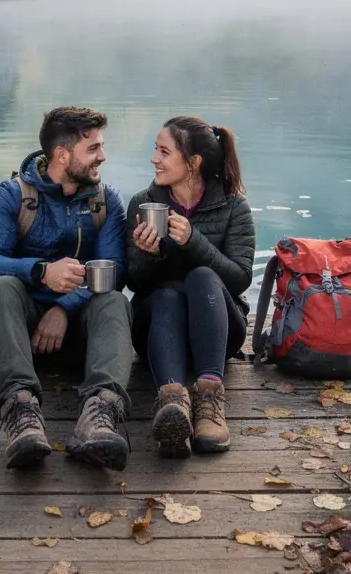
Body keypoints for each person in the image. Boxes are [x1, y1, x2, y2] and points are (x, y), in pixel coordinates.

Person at [0, 106, 133, 471]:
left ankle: (100, 415)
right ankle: (21, 412)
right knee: (0, 287)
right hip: (22, 341)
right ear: (62, 155)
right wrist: (41, 271)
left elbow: (114, 271)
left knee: (114, 300)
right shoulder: (12, 195)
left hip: (83, 338)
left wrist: (65, 308)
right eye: (93, 149)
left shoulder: (106, 201)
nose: (102, 157)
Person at [125, 116, 255, 458]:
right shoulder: (143, 203)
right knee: (166, 294)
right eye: (156, 149)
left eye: (164, 151)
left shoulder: (233, 205)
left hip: (219, 332)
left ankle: (210, 396)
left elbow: (241, 278)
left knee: (202, 277)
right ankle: (172, 403)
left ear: (193, 163)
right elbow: (132, 281)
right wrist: (148, 254)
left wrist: (194, 241)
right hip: (158, 331)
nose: (154, 158)